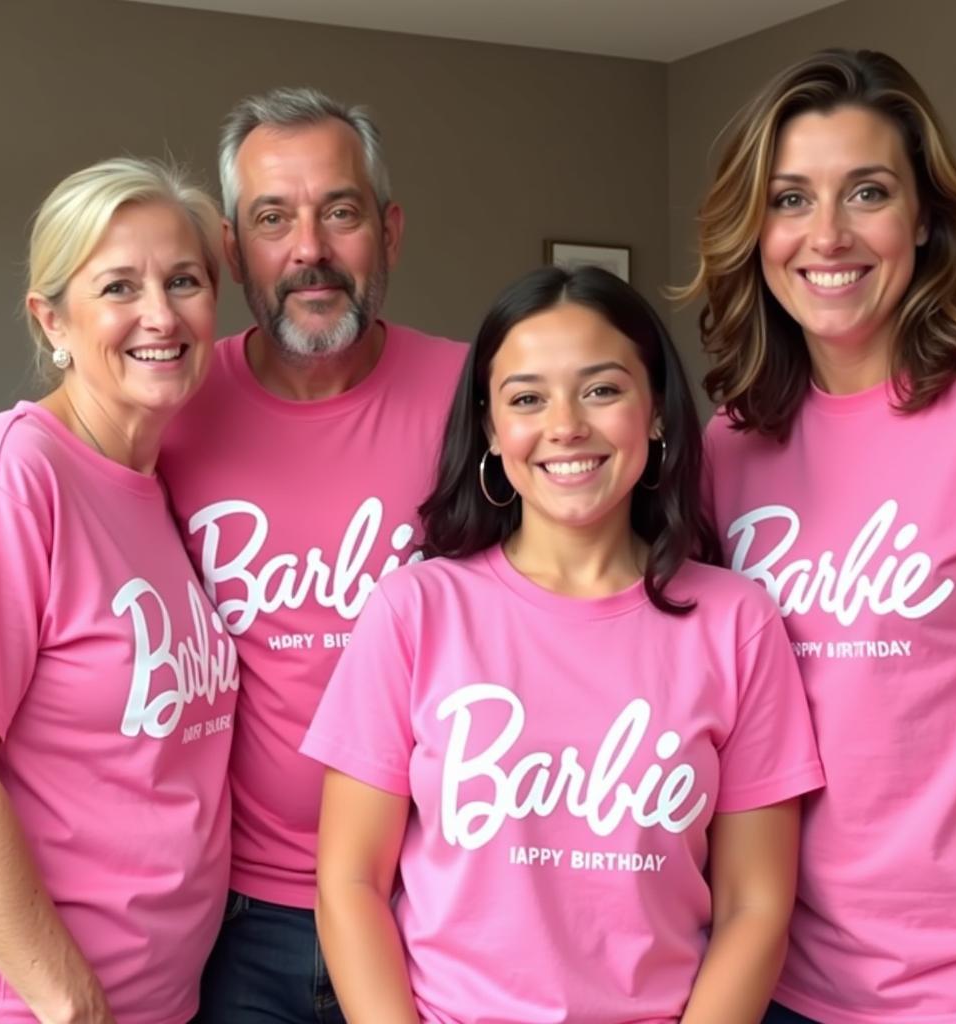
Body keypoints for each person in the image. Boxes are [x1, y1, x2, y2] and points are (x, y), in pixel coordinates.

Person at [301, 265, 825, 1022]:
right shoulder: (415, 610)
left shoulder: (736, 621)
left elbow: (755, 903)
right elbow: (348, 881)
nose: (566, 425)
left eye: (603, 389)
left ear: (655, 411)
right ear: (490, 427)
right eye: (526, 398)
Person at [680, 48, 956, 1024]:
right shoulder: (730, 445)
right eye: (789, 199)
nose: (825, 235)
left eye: (865, 191)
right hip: (776, 982)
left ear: (923, 215)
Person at [157, 87, 466, 1022]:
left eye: (340, 211)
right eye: (272, 218)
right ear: (230, 245)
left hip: (438, 902)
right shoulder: (170, 407)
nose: (309, 250)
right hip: (234, 919)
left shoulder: (484, 399)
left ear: (390, 230)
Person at [0, 157, 238, 1023]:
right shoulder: (22, 477)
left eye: (183, 280)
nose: (160, 316)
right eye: (118, 287)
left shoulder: (163, 484)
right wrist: (67, 1003)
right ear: (50, 317)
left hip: (168, 998)